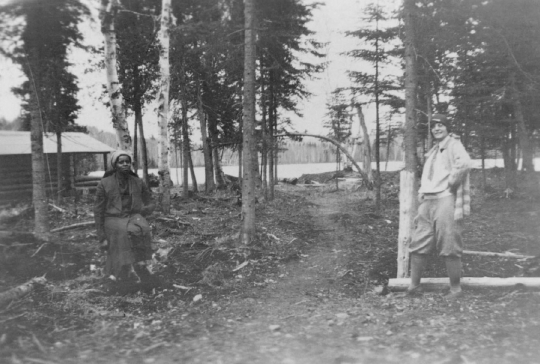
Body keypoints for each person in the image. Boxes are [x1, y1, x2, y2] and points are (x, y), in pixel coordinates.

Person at [407, 114, 472, 299]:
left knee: (449, 242)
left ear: (447, 128)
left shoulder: (453, 144)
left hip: (445, 200)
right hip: (428, 202)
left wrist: (451, 183)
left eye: (440, 125)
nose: (436, 129)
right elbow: (431, 175)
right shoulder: (435, 150)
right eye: (433, 126)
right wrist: (423, 190)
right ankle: (414, 287)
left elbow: (465, 163)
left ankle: (455, 289)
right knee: (419, 241)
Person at [94, 150, 155, 282]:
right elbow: (98, 211)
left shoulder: (138, 182)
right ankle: (121, 271)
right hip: (112, 217)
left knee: (143, 229)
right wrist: (101, 237)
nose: (125, 164)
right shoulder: (104, 183)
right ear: (115, 165)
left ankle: (141, 265)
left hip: (133, 216)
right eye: (121, 162)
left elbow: (150, 202)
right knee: (122, 232)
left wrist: (144, 210)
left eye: (127, 162)